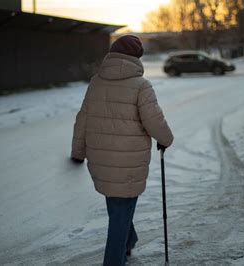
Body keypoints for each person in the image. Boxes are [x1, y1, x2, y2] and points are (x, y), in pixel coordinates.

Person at [70, 35, 174, 266]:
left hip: (100, 163)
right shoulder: (141, 86)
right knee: (120, 213)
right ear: (137, 57)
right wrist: (166, 139)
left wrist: (78, 152)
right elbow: (154, 121)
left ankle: (129, 240)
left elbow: (82, 120)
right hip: (128, 166)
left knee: (118, 208)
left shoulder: (96, 81)